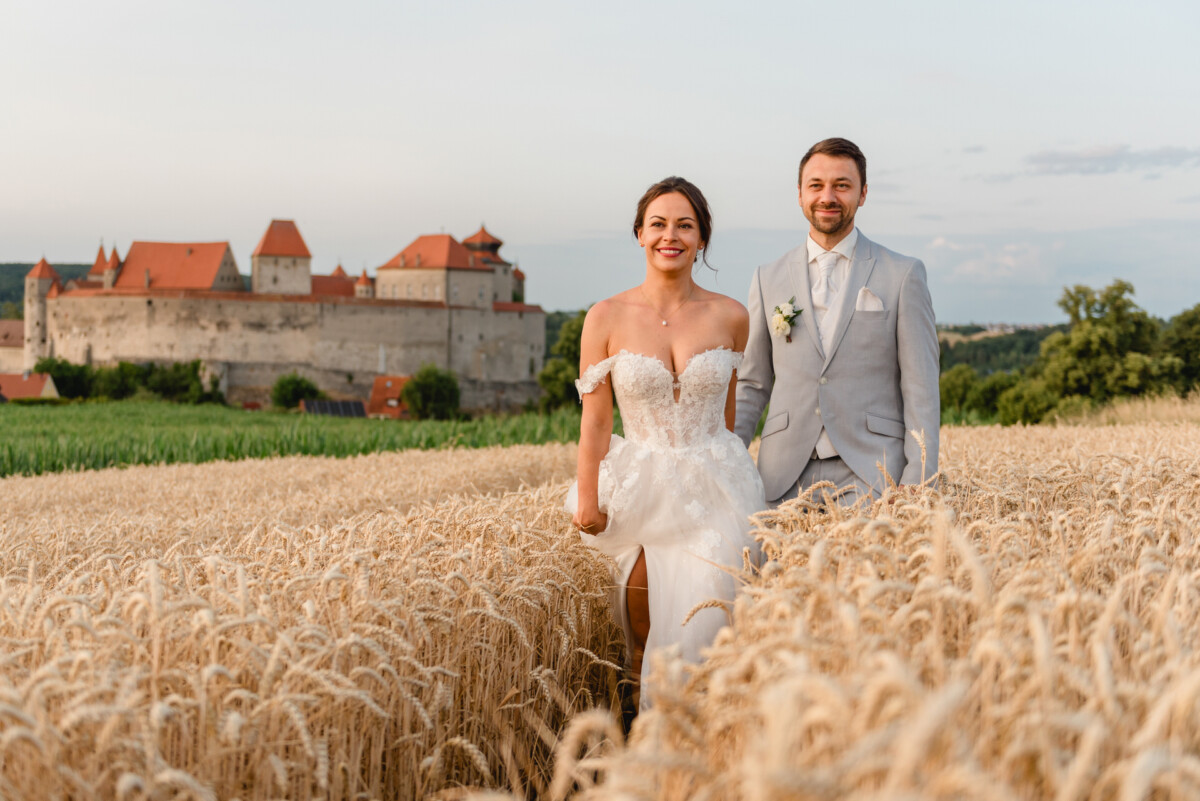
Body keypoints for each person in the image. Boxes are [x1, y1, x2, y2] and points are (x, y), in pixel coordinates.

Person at [566, 176, 766, 705]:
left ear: (702, 239)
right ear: (639, 234)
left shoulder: (731, 316)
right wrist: (588, 500)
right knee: (641, 628)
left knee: (711, 621)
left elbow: (726, 413)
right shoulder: (604, 317)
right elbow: (596, 422)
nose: (669, 235)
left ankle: (705, 742)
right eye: (657, 224)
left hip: (717, 489)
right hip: (642, 491)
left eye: (685, 225)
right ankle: (644, 742)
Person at [735, 138, 940, 505]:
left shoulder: (903, 274)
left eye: (842, 185)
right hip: (781, 477)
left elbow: (920, 386)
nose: (827, 196)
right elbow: (751, 384)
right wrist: (724, 465)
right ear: (799, 194)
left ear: (862, 194)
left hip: (875, 475)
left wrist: (919, 478)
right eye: (816, 185)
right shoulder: (768, 278)